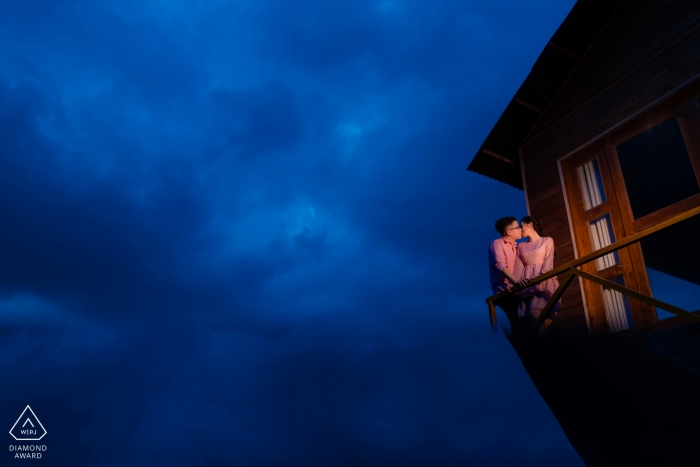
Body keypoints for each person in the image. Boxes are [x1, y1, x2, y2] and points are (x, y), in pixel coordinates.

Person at [514, 216, 560, 332]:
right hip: (528, 284)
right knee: (533, 318)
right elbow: (518, 268)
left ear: (530, 225)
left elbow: (548, 262)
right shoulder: (521, 246)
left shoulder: (547, 240)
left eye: (521, 225)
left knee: (536, 311)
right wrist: (517, 283)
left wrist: (541, 279)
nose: (520, 229)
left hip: (543, 280)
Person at [488, 216, 528, 335]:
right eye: (517, 227)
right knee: (518, 323)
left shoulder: (516, 246)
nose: (520, 229)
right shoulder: (497, 244)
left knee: (527, 321)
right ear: (508, 232)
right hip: (504, 291)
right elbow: (500, 265)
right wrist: (516, 281)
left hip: (517, 290)